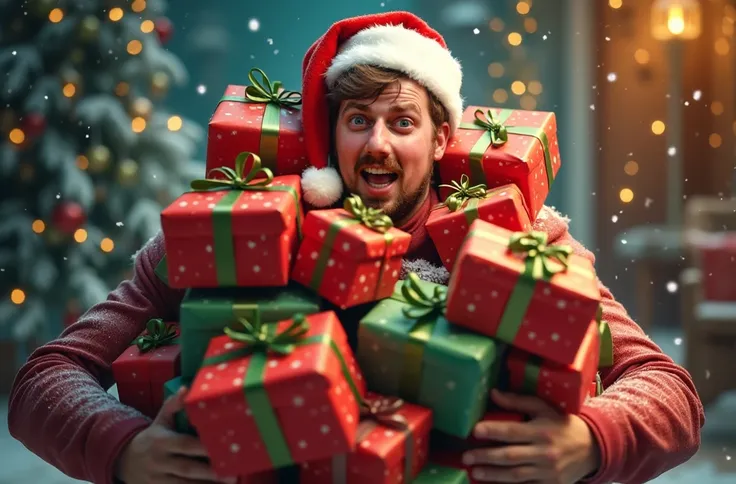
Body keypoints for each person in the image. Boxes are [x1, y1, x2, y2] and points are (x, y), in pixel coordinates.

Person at [7, 11, 703, 484]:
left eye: (403, 121)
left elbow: (669, 391)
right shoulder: (234, 239)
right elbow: (45, 380)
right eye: (357, 120)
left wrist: (592, 441)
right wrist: (123, 450)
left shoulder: (526, 243)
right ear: (327, 137)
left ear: (439, 139)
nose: (377, 143)